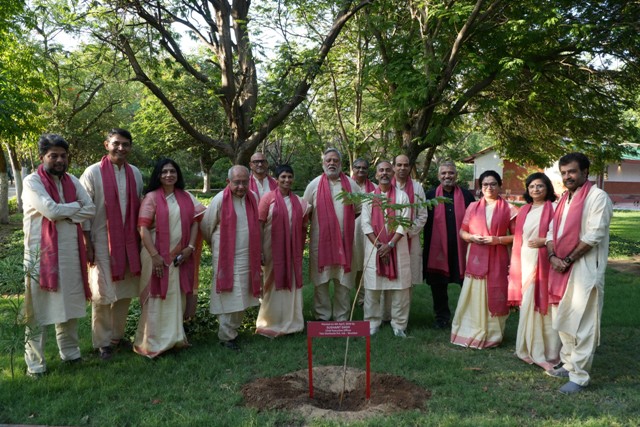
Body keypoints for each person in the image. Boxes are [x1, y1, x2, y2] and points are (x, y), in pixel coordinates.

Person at [22, 134, 96, 377]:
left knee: (69, 304)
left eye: (63, 156)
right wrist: (74, 209)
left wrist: (66, 213)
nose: (60, 160)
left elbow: (91, 208)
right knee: (38, 310)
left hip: (70, 252)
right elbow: (51, 211)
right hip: (41, 255)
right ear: (42, 157)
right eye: (53, 155)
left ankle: (71, 353)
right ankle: (35, 365)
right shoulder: (32, 182)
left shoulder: (72, 180)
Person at [544, 153, 613, 394]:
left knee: (583, 323)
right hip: (560, 268)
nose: (567, 177)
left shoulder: (597, 197)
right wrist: (552, 257)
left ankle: (580, 376)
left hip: (585, 268)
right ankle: (568, 363)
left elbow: (594, 235)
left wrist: (567, 259)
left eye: (572, 171)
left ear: (585, 172)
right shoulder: (564, 199)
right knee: (563, 318)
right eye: (563, 173)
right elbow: (551, 232)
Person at [80, 128, 144, 360]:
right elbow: (84, 210)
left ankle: (116, 336)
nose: (121, 148)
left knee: (124, 292)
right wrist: (87, 243)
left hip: (128, 242)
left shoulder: (135, 173)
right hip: (100, 240)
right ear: (106, 144)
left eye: (125, 144)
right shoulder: (93, 172)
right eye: (116, 143)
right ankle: (102, 343)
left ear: (130, 147)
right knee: (102, 292)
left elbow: (138, 205)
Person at [133, 159, 205, 358]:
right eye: (164, 172)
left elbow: (196, 222)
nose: (168, 175)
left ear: (177, 174)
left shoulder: (187, 197)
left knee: (175, 296)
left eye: (172, 171)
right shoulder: (151, 198)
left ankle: (175, 339)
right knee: (155, 298)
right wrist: (155, 256)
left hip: (180, 257)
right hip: (154, 256)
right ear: (158, 175)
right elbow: (143, 228)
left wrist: (190, 247)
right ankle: (151, 342)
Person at [450, 170, 518, 349]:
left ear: (500, 185)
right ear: (480, 187)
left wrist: (497, 240)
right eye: (485, 184)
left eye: (493, 184)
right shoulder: (472, 207)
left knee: (495, 292)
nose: (489, 187)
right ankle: (468, 331)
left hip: (498, 257)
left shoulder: (509, 209)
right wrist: (472, 237)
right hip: (475, 257)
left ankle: (493, 335)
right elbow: (462, 231)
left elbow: (518, 236)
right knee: (474, 294)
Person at [202, 165, 261, 350]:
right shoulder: (220, 199)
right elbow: (206, 226)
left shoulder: (253, 197)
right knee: (230, 294)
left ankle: (232, 330)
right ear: (228, 182)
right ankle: (226, 336)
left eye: (244, 182)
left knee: (242, 293)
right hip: (226, 256)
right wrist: (217, 246)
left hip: (247, 255)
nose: (241, 186)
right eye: (237, 182)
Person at [508, 172, 561, 371]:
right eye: (531, 186)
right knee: (527, 302)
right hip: (524, 260)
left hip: (544, 261)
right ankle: (526, 346)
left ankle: (548, 350)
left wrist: (544, 241)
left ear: (547, 188)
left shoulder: (554, 208)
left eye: (540, 186)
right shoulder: (524, 210)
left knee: (544, 302)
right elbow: (518, 238)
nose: (535, 189)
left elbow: (561, 234)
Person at [303, 148, 361, 321]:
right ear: (323, 163)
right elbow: (306, 211)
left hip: (345, 242)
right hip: (320, 243)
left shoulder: (351, 185)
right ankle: (322, 317)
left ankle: (341, 318)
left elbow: (358, 210)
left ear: (341, 164)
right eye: (328, 160)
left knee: (343, 282)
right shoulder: (314, 185)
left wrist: (343, 226)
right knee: (321, 281)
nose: (332, 163)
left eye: (335, 160)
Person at [255, 165, 310, 337]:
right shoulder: (268, 198)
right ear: (276, 179)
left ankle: (292, 321)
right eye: (283, 177)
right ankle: (270, 321)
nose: (287, 180)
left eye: (290, 177)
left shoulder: (299, 201)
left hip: (293, 250)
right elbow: (259, 225)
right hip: (271, 248)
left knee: (291, 280)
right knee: (270, 282)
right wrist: (259, 250)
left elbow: (304, 226)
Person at [423, 161, 475, 329]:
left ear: (456, 175)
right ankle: (442, 317)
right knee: (438, 285)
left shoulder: (467, 196)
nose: (447, 176)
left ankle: (468, 316)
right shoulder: (430, 196)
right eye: (444, 173)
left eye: (451, 173)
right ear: (438, 176)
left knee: (467, 284)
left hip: (462, 248)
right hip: (437, 249)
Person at [362, 161, 412, 337]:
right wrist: (379, 246)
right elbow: (365, 224)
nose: (384, 173)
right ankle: (372, 323)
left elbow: (404, 224)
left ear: (393, 174)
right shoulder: (369, 198)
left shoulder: (402, 197)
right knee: (372, 289)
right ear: (376, 175)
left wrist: (390, 245)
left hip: (397, 248)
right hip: (374, 249)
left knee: (400, 290)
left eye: (388, 170)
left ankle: (399, 325)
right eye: (381, 170)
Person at [392, 154, 428, 285]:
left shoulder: (417, 187)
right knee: (388, 278)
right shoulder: (386, 186)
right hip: (389, 237)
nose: (402, 168)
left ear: (409, 167)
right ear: (393, 167)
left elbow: (422, 215)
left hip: (410, 237)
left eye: (405, 165)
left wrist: (406, 231)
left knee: (408, 278)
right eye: (399, 165)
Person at [351, 158, 376, 305]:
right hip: (351, 231)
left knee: (366, 264)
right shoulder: (346, 186)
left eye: (364, 168)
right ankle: (354, 296)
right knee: (354, 264)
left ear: (368, 171)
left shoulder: (375, 188)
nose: (361, 170)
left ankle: (364, 297)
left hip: (369, 233)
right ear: (353, 169)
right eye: (358, 167)